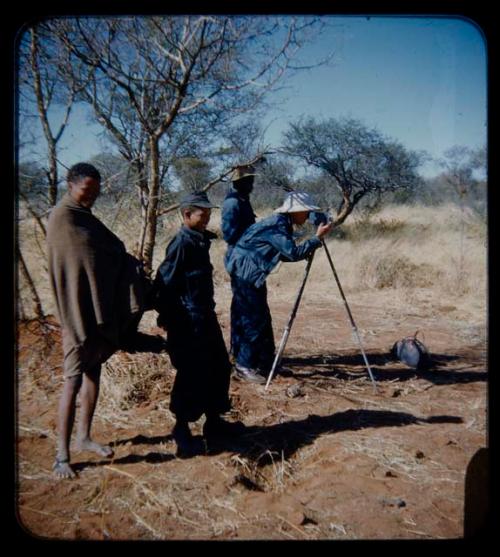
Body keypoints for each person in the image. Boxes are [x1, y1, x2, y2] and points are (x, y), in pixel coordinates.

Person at [47, 162, 150, 479]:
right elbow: (69, 268)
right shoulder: (62, 218)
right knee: (72, 381)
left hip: (95, 310)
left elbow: (106, 253)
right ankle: (62, 457)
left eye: (95, 191)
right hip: (75, 315)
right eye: (86, 190)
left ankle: (84, 437)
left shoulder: (85, 218)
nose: (90, 195)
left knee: (93, 374)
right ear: (70, 184)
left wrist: (128, 264)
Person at [152, 191, 244, 457]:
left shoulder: (200, 241)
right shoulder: (181, 243)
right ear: (186, 215)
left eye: (208, 215)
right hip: (187, 321)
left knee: (219, 367)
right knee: (191, 374)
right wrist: (170, 320)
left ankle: (214, 424)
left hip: (205, 317)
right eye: (201, 215)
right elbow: (163, 286)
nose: (206, 220)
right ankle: (181, 431)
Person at [226, 191, 333, 383]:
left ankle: (265, 362)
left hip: (248, 271)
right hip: (247, 273)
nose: (308, 216)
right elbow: (291, 253)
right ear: (295, 211)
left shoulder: (281, 223)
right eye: (305, 212)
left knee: (259, 318)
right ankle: (244, 365)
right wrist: (316, 240)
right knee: (253, 320)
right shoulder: (277, 225)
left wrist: (310, 244)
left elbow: (281, 252)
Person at [221, 164, 258, 360]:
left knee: (242, 307)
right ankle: (244, 360)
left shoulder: (243, 200)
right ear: (239, 182)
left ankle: (239, 353)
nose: (252, 185)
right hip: (240, 260)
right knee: (246, 310)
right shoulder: (233, 203)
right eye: (248, 181)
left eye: (252, 181)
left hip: (247, 259)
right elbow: (229, 235)